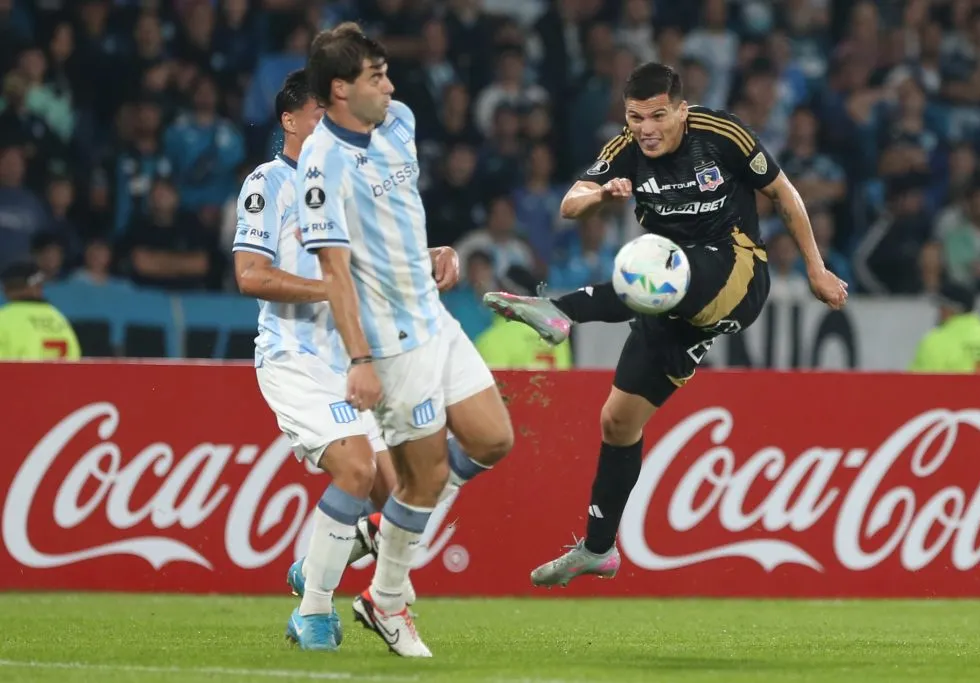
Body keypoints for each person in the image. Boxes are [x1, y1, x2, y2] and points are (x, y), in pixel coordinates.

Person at [484, 62, 848, 587]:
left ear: (681, 109)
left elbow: (784, 193)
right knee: (617, 421)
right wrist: (600, 197)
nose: (647, 128)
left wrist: (815, 267)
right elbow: (569, 203)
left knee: (655, 266)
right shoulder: (625, 149)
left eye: (658, 115)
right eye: (636, 117)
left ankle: (561, 311)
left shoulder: (722, 134)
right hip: (669, 299)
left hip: (736, 269)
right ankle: (598, 548)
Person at [295, 23, 515, 657]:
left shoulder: (399, 121)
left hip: (434, 317)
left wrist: (434, 250)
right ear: (339, 90)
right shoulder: (321, 166)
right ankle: (387, 601)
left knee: (494, 438)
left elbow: (396, 218)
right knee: (423, 480)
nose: (390, 85)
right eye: (375, 77)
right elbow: (336, 271)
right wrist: (359, 359)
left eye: (387, 72)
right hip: (392, 345)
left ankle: (381, 536)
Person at [231, 70, 460, 651]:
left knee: (406, 493)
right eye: (323, 117)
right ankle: (313, 614)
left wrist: (432, 255)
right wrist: (330, 291)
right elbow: (250, 275)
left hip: (361, 360)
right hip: (297, 359)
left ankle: (319, 563)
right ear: (290, 120)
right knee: (356, 471)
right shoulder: (270, 183)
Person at [909, 280, 980, 373]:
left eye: (941, 307)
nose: (939, 312)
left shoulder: (934, 341)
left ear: (949, 309)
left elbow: (918, 386)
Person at [0, 261, 80, 360]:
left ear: (7, 289)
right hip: (62, 375)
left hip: (21, 376)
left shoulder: (4, 318)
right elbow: (75, 358)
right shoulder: (57, 317)